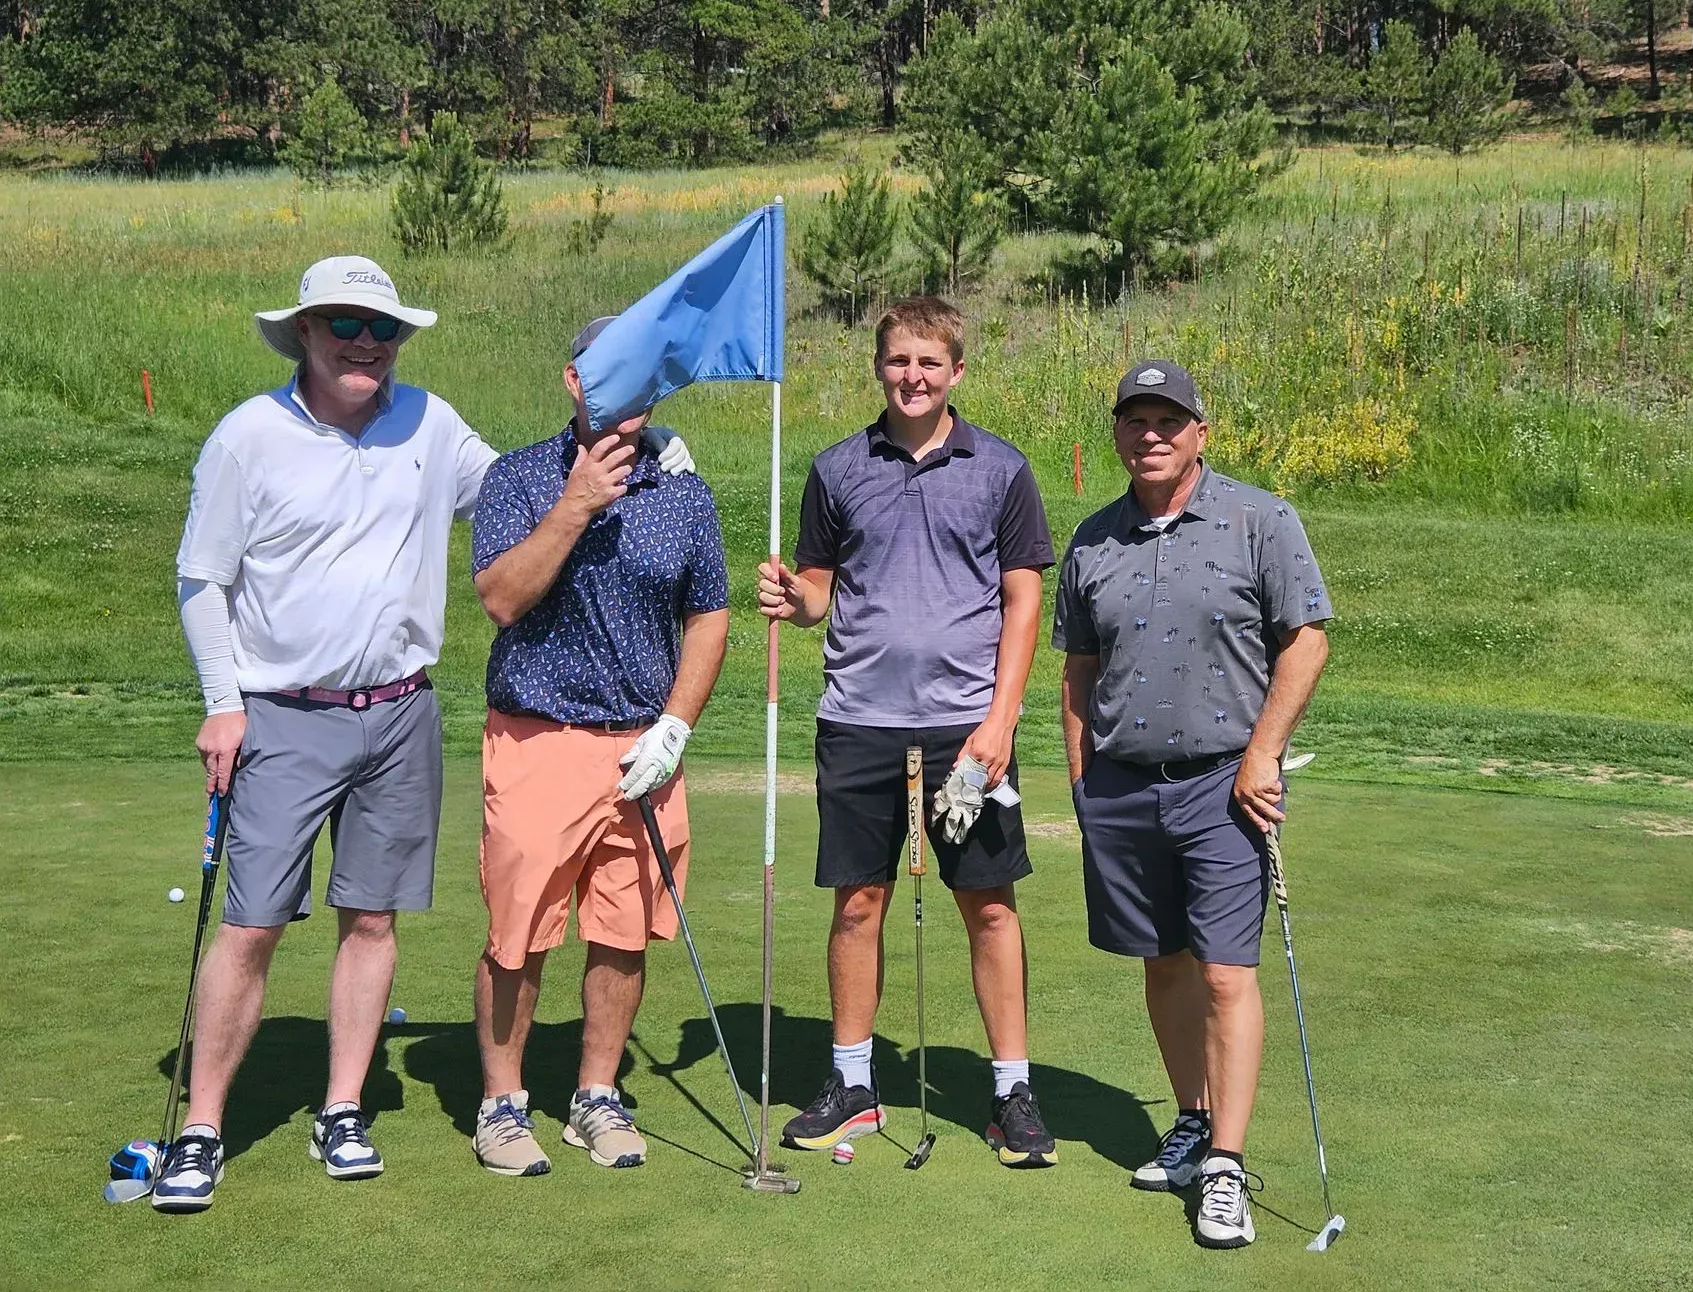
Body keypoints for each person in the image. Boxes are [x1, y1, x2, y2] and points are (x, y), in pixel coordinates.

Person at [159, 263, 694, 1213]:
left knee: (371, 920)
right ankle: (201, 1127)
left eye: (383, 328)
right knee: (251, 925)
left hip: (399, 712)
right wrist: (222, 699)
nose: (366, 342)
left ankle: (343, 1109)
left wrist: (645, 456)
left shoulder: (433, 426)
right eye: (346, 324)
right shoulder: (249, 436)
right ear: (308, 333)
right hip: (281, 709)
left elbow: (520, 490)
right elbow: (204, 578)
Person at [756, 296, 1060, 1168]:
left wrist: (1000, 721)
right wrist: (794, 597)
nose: (913, 377)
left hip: (966, 734)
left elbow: (1023, 599)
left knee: (990, 908)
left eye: (930, 363)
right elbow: (820, 590)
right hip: (860, 724)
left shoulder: (1001, 468)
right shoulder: (837, 467)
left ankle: (1011, 1093)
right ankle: (854, 1084)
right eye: (898, 362)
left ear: (956, 371)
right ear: (878, 368)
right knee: (858, 902)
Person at [1052, 360, 1332, 1249]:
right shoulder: (1094, 540)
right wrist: (1082, 782)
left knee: (1222, 972)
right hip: (1124, 788)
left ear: (1201, 431)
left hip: (1225, 784)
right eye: (1135, 419)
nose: (1152, 434)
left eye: (1169, 418)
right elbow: (1078, 671)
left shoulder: (1261, 519)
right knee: (1163, 964)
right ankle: (1190, 1122)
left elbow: (1307, 642)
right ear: (1118, 434)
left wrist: (1263, 755)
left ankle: (1225, 1165)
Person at [465, 316, 729, 1177]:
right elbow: (502, 598)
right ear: (574, 383)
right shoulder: (517, 478)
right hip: (541, 735)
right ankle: (503, 1105)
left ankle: (595, 1096)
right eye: (608, 378)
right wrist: (576, 502)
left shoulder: (682, 490)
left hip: (644, 750)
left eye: (642, 380)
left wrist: (677, 724)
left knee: (622, 934)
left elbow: (708, 614)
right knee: (519, 936)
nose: (626, 397)